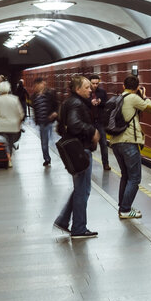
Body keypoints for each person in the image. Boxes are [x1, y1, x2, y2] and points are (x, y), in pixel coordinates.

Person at [52, 75, 99, 239]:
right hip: (81, 150)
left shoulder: (70, 102)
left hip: (77, 149)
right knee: (83, 190)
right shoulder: (77, 104)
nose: (90, 89)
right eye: (86, 87)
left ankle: (64, 221)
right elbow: (74, 124)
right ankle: (79, 228)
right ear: (77, 89)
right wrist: (92, 131)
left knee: (80, 189)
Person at [108, 75, 151, 220]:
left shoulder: (117, 98)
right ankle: (125, 209)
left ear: (123, 86)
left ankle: (123, 207)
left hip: (116, 142)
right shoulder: (133, 98)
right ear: (136, 87)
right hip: (128, 142)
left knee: (126, 175)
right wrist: (145, 96)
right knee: (135, 178)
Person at [0, 80, 24, 150]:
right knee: (10, 145)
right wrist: (18, 126)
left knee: (2, 146)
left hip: (1, 128)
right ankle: (9, 156)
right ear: (9, 88)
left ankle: (6, 156)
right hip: (13, 127)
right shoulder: (15, 99)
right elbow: (21, 115)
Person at [31, 78, 59, 167]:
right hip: (41, 122)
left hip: (49, 121)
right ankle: (47, 158)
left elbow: (56, 105)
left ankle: (47, 158)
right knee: (45, 141)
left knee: (45, 140)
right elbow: (34, 109)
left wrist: (55, 112)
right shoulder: (34, 96)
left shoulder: (50, 94)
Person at [87, 74, 110, 171]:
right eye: (93, 83)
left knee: (103, 143)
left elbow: (107, 105)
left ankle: (105, 164)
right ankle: (87, 164)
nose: (95, 85)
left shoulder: (102, 92)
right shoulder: (86, 92)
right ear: (89, 83)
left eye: (97, 83)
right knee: (88, 144)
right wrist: (90, 102)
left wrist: (100, 103)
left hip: (100, 121)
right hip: (89, 122)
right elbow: (82, 104)